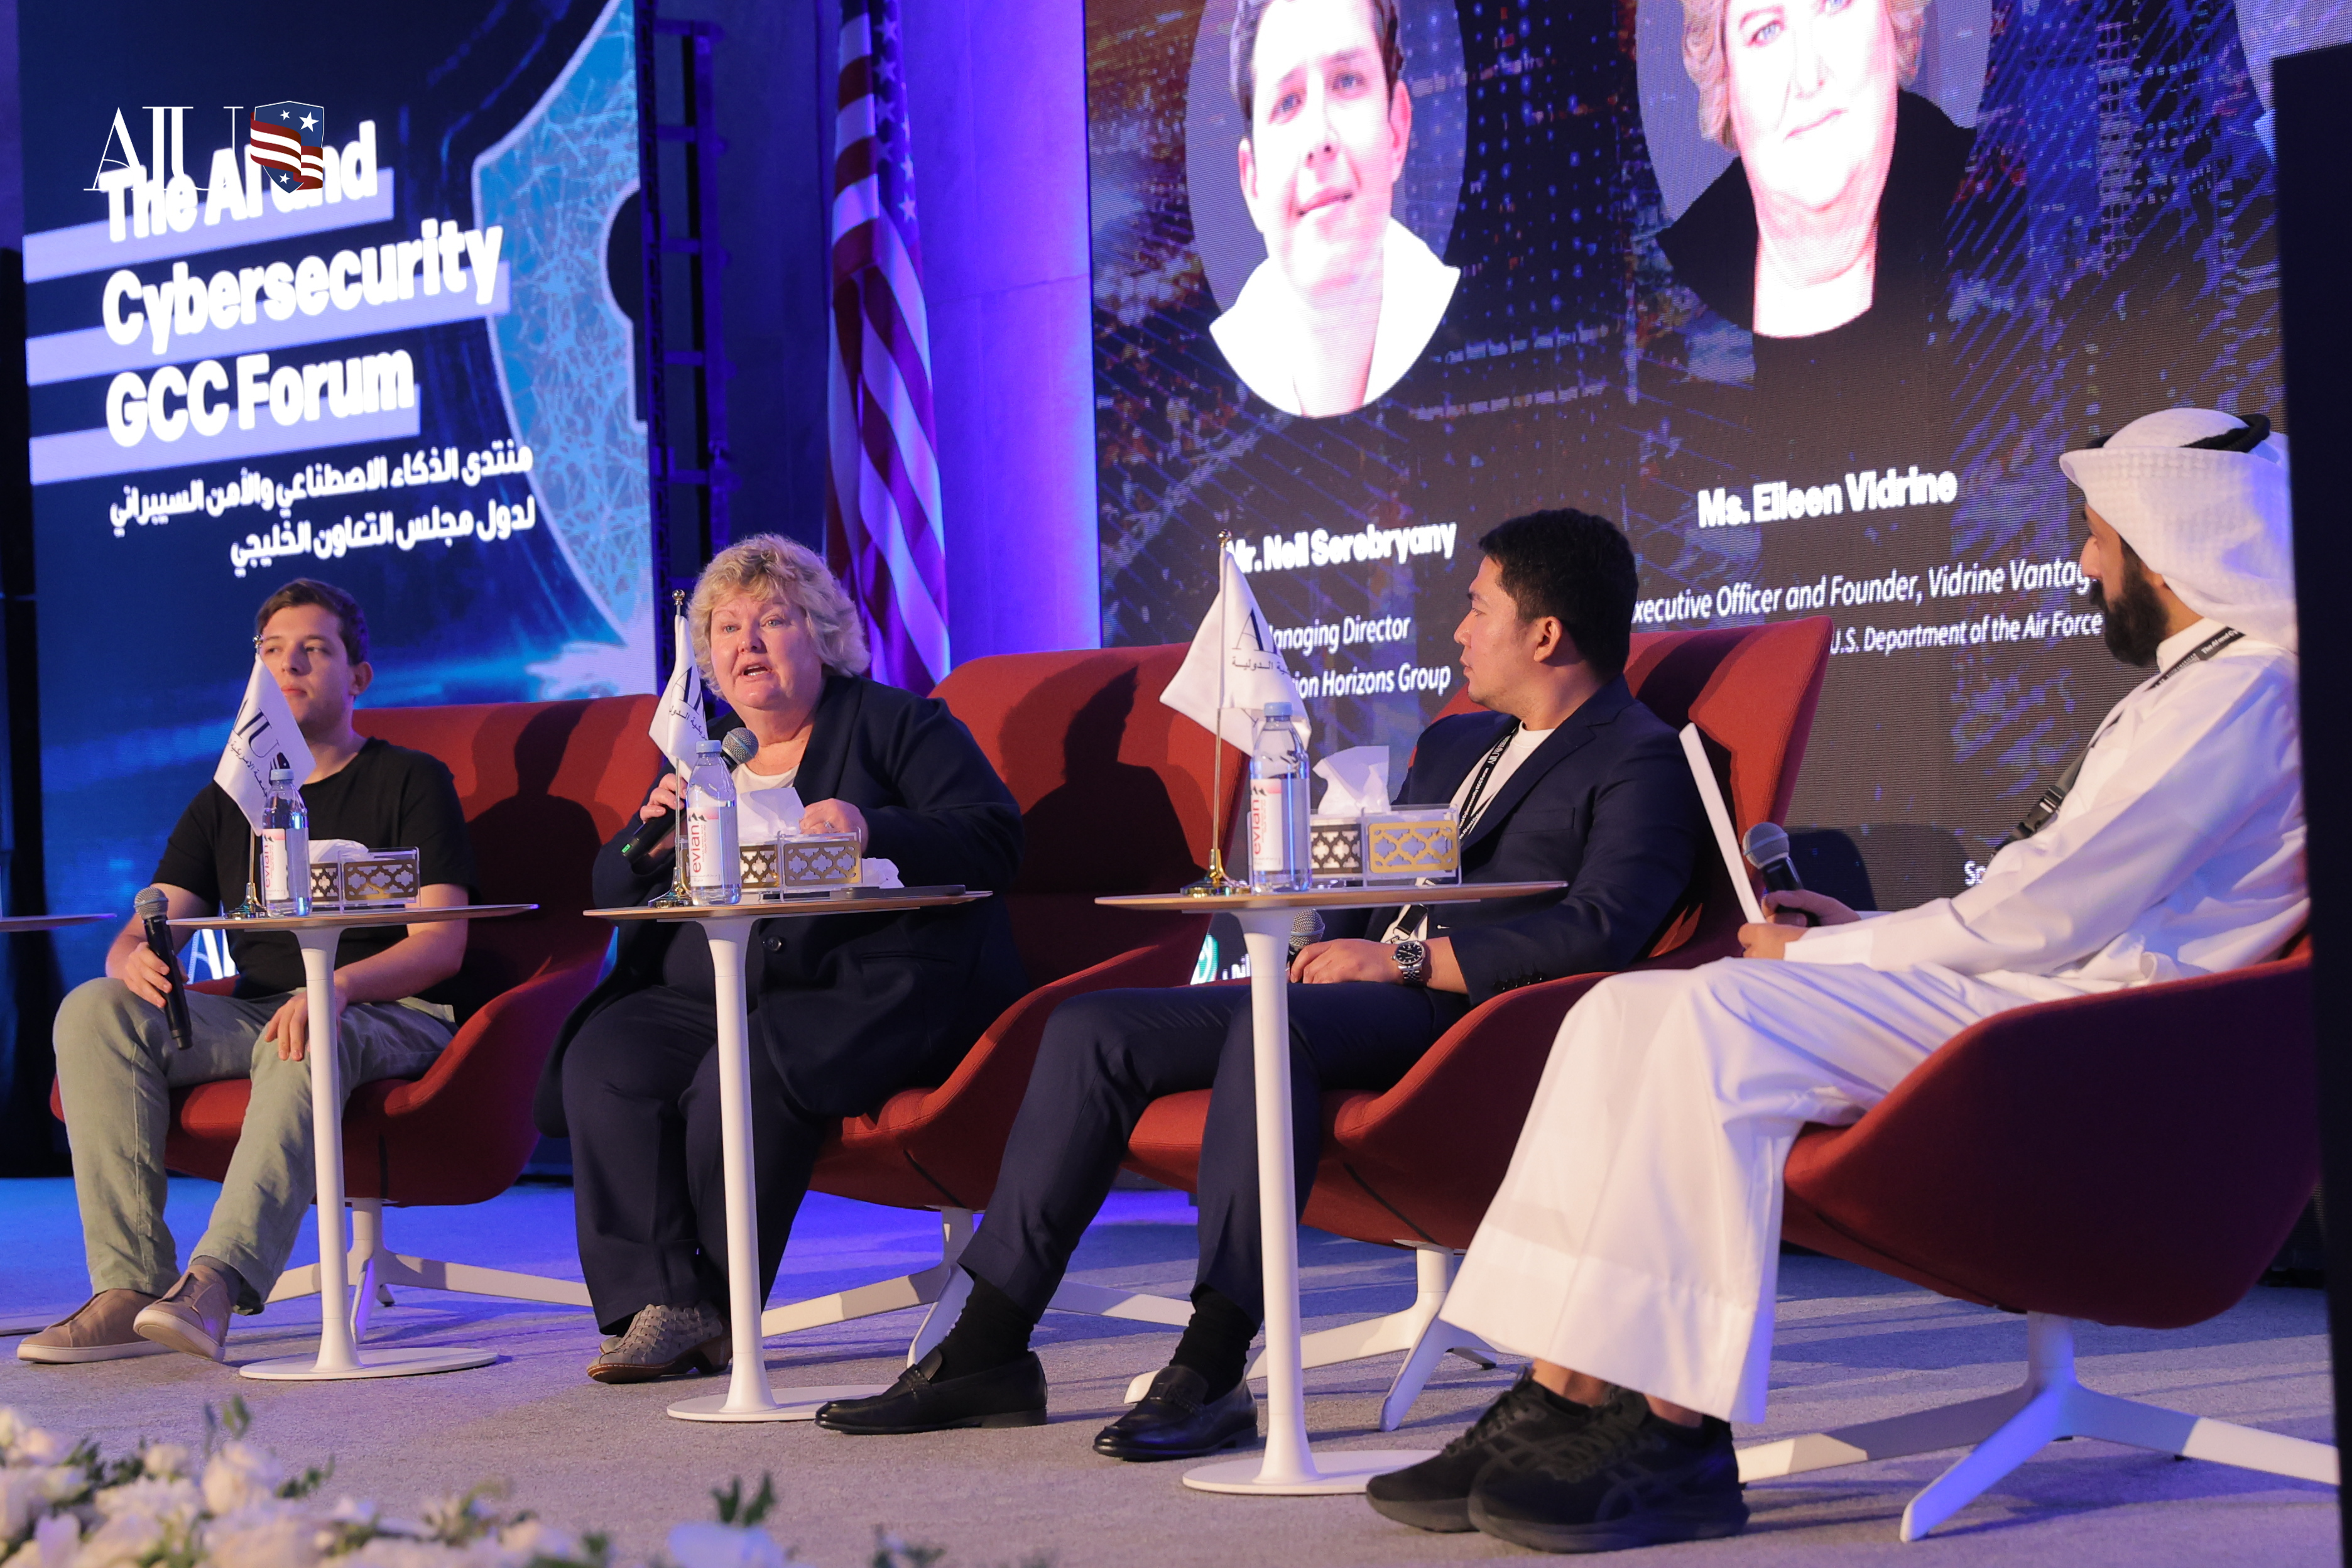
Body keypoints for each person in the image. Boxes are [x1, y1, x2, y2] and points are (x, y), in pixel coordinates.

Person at [1367, 406, 2304, 1553]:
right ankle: (1561, 1392)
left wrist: (1823, 953)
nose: (2082, 563)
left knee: (1717, 1014)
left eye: (2100, 540)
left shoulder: (2243, 696)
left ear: (2169, 549)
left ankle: (1673, 1432)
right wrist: (1870, 929)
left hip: (2090, 1027)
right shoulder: (2198, 686)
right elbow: (2049, 897)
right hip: (2031, 990)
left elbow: (2046, 913)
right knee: (1617, 1010)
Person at [816, 508, 1707, 1457]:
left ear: (1546, 633)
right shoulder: (1457, 744)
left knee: (1269, 1031)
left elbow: (1604, 928)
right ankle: (987, 1346)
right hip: (1361, 996)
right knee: (1092, 1028)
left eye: (1478, 608)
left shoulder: (1640, 755)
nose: (1458, 631)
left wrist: (1401, 961)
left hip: (1474, 1023)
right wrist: (1313, 944)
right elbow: (1382, 882)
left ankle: (1210, 1362)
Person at [536, 535, 1024, 1383]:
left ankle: (721, 1309)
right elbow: (612, 880)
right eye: (727, 629)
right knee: (608, 1055)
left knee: (743, 1070)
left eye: (773, 620)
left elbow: (996, 837)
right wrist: (654, 838)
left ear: (824, 634)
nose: (747, 643)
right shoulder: (710, 755)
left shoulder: (900, 725)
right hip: (719, 989)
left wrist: (874, 825)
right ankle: (661, 1302)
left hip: (868, 989)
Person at [24, 580, 481, 1365]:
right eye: (273, 651)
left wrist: (337, 988)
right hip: (261, 1006)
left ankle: (215, 1283)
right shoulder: (228, 799)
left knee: (302, 1034)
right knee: (95, 1009)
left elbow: (442, 943)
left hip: (392, 1009)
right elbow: (146, 926)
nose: (289, 664)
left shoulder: (411, 779)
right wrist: (131, 957)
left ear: (358, 676)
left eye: (314, 649)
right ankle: (129, 1286)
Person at [1657, 0, 1970, 344]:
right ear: (1725, 84)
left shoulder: (1987, 224)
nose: (1807, 78)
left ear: (1894, 19)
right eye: (1767, 31)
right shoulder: (1675, 296)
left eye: (1835, 3)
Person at [1207, 0, 1461, 418]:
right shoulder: (1216, 374)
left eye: (1347, 81)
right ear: (1253, 183)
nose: (1318, 137)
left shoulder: (1467, 330)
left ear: (1396, 131)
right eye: (1287, 103)